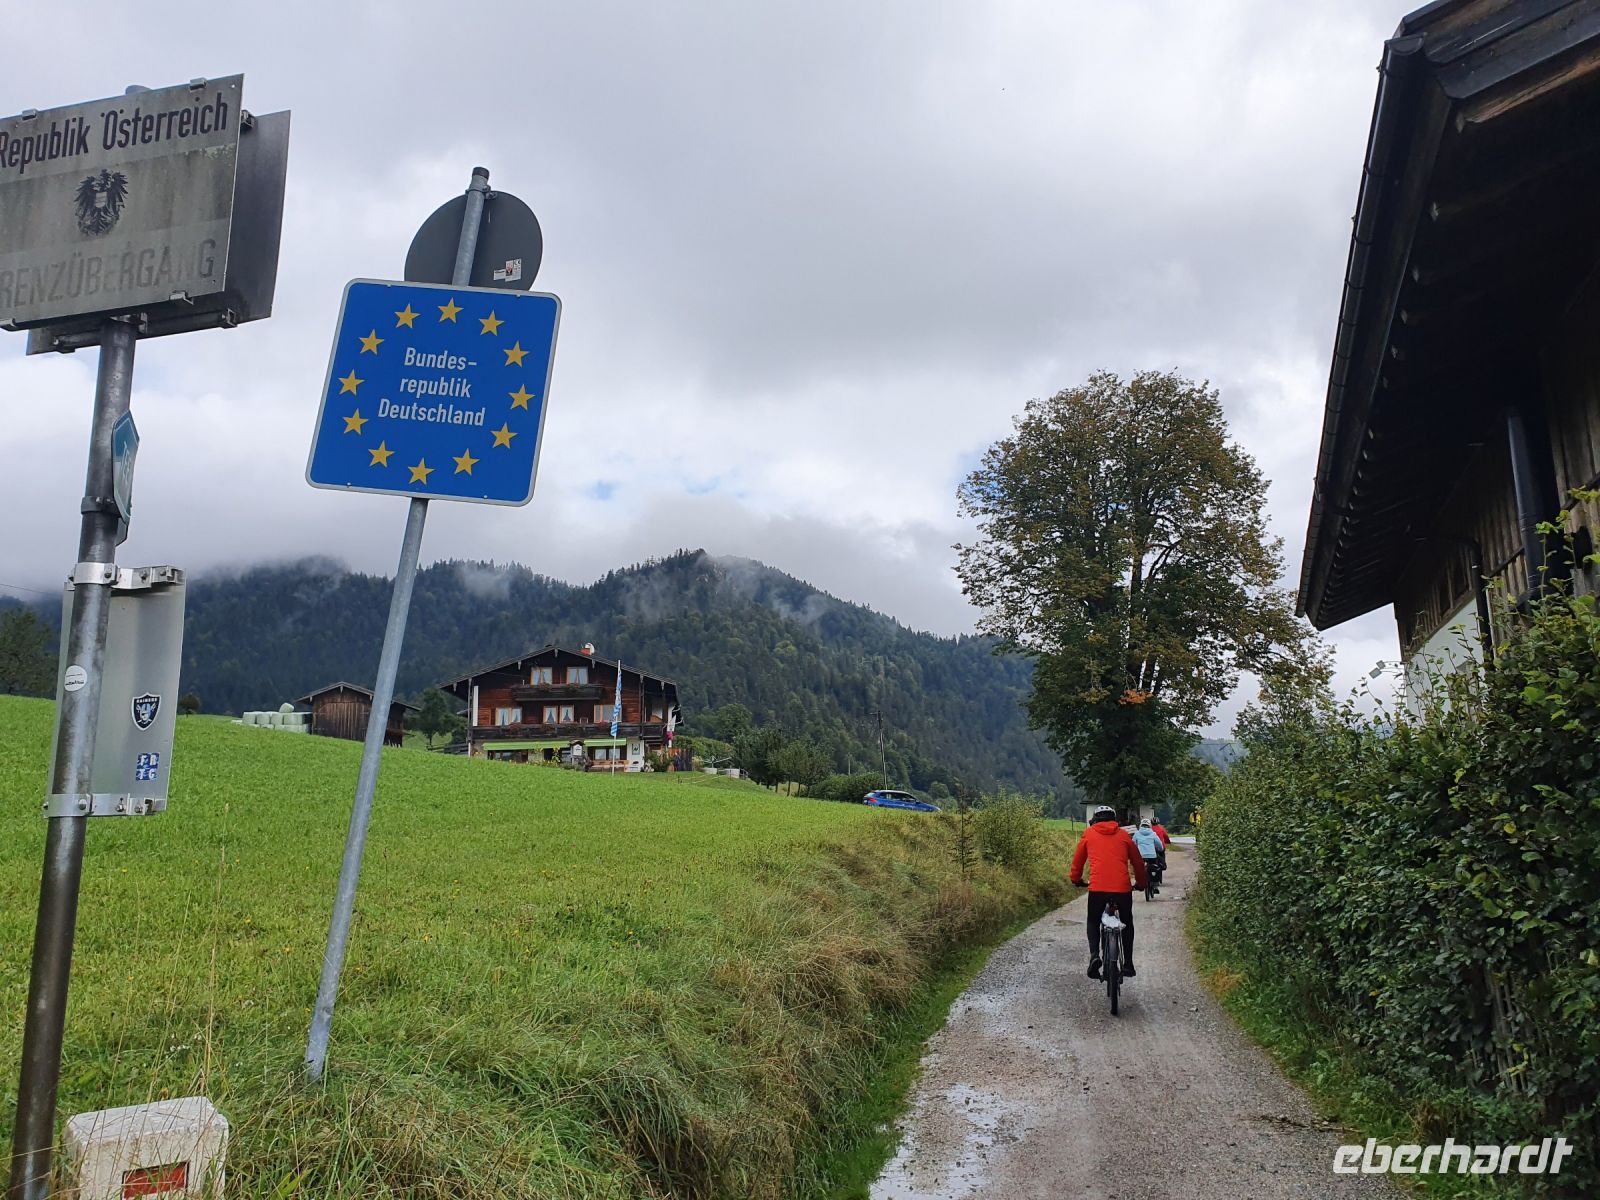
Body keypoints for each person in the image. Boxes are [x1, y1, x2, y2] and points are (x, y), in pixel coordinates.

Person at [1070, 805, 1149, 978]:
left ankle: (1094, 956)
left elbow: (1078, 860)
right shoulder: (1124, 836)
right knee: (1127, 921)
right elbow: (1137, 862)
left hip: (1097, 888)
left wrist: (1076, 879)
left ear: (1095, 820)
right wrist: (1141, 883)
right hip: (1122, 888)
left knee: (1093, 920)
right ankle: (1128, 963)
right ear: (1115, 820)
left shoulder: (1089, 834)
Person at [1131, 818, 1164, 891]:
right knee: (1155, 868)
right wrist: (1160, 849)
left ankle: (1138, 882)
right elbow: (1159, 845)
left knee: (1139, 869)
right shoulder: (1153, 834)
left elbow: (1133, 844)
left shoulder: (1137, 834)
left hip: (1140, 856)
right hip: (1152, 856)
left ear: (1141, 825)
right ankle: (1155, 885)